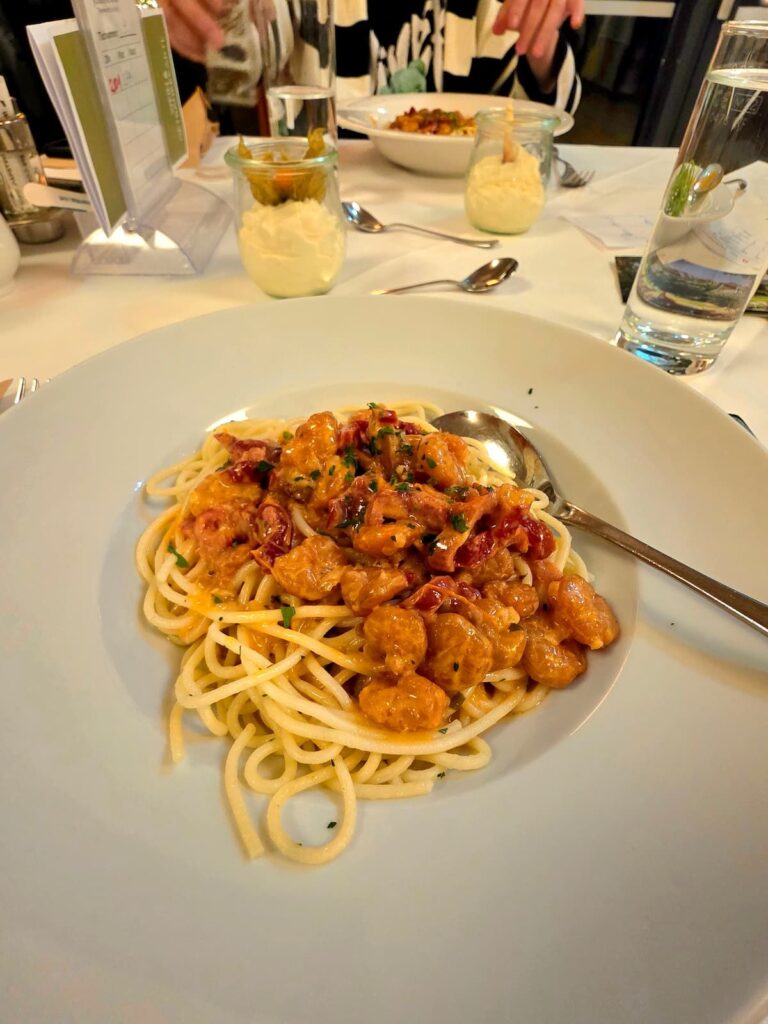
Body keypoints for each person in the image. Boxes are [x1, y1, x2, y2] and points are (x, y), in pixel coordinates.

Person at [160, 0, 583, 112]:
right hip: (327, 204)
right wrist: (211, 21)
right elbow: (245, 61)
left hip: (460, 214)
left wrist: (541, 36)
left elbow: (545, 114)